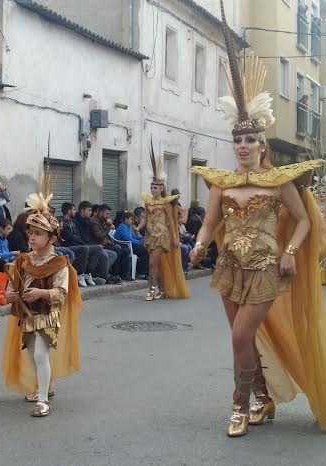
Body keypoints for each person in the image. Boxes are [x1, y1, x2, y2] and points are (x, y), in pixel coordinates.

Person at [189, 3, 326, 437]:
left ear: (262, 144)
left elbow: (303, 221)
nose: (243, 145)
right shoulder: (220, 184)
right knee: (243, 337)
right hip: (230, 267)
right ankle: (264, 398)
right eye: (238, 139)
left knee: (238, 337)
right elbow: (211, 224)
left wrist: (289, 252)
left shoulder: (279, 182)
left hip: (268, 268)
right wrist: (198, 243)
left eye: (250, 139)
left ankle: (238, 406)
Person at [2, 181, 82, 417]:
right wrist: (12, 295)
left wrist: (40, 293)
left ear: (52, 239)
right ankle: (44, 386)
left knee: (39, 353)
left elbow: (60, 294)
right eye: (31, 233)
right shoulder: (23, 261)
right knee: (32, 353)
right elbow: (9, 291)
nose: (32, 238)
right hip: (27, 314)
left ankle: (44, 400)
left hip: (47, 313)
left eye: (38, 234)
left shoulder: (59, 264)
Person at [137, 142, 189, 301]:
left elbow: (172, 221)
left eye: (155, 188)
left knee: (152, 263)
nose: (153, 190)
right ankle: (162, 289)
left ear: (161, 189)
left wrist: (175, 237)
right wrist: (138, 227)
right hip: (150, 235)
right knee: (156, 265)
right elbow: (146, 217)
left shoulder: (166, 202)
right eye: (151, 188)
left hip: (162, 235)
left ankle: (151, 290)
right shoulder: (148, 202)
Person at [113, 211, 148, 278]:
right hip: (126, 246)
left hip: (131, 246)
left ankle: (144, 272)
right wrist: (140, 243)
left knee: (145, 249)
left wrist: (142, 238)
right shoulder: (122, 227)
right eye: (131, 219)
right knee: (144, 250)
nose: (132, 221)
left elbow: (133, 237)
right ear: (126, 219)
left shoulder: (128, 226)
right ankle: (142, 272)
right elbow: (128, 239)